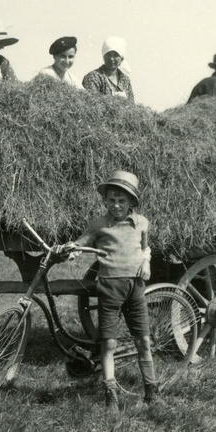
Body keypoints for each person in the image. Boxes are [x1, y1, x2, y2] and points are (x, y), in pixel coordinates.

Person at [60, 171, 155, 408]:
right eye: (112, 200)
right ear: (105, 201)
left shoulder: (141, 222)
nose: (116, 205)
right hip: (109, 288)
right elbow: (82, 243)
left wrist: (146, 262)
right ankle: (110, 393)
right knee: (109, 343)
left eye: (122, 201)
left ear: (132, 202)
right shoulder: (99, 224)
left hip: (135, 287)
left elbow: (145, 249)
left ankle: (152, 391)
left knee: (143, 340)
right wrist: (71, 248)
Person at [81, 36, 135, 103]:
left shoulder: (125, 80)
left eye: (115, 55)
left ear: (121, 59)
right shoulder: (92, 77)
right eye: (108, 55)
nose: (111, 58)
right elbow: (93, 104)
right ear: (103, 56)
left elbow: (131, 105)